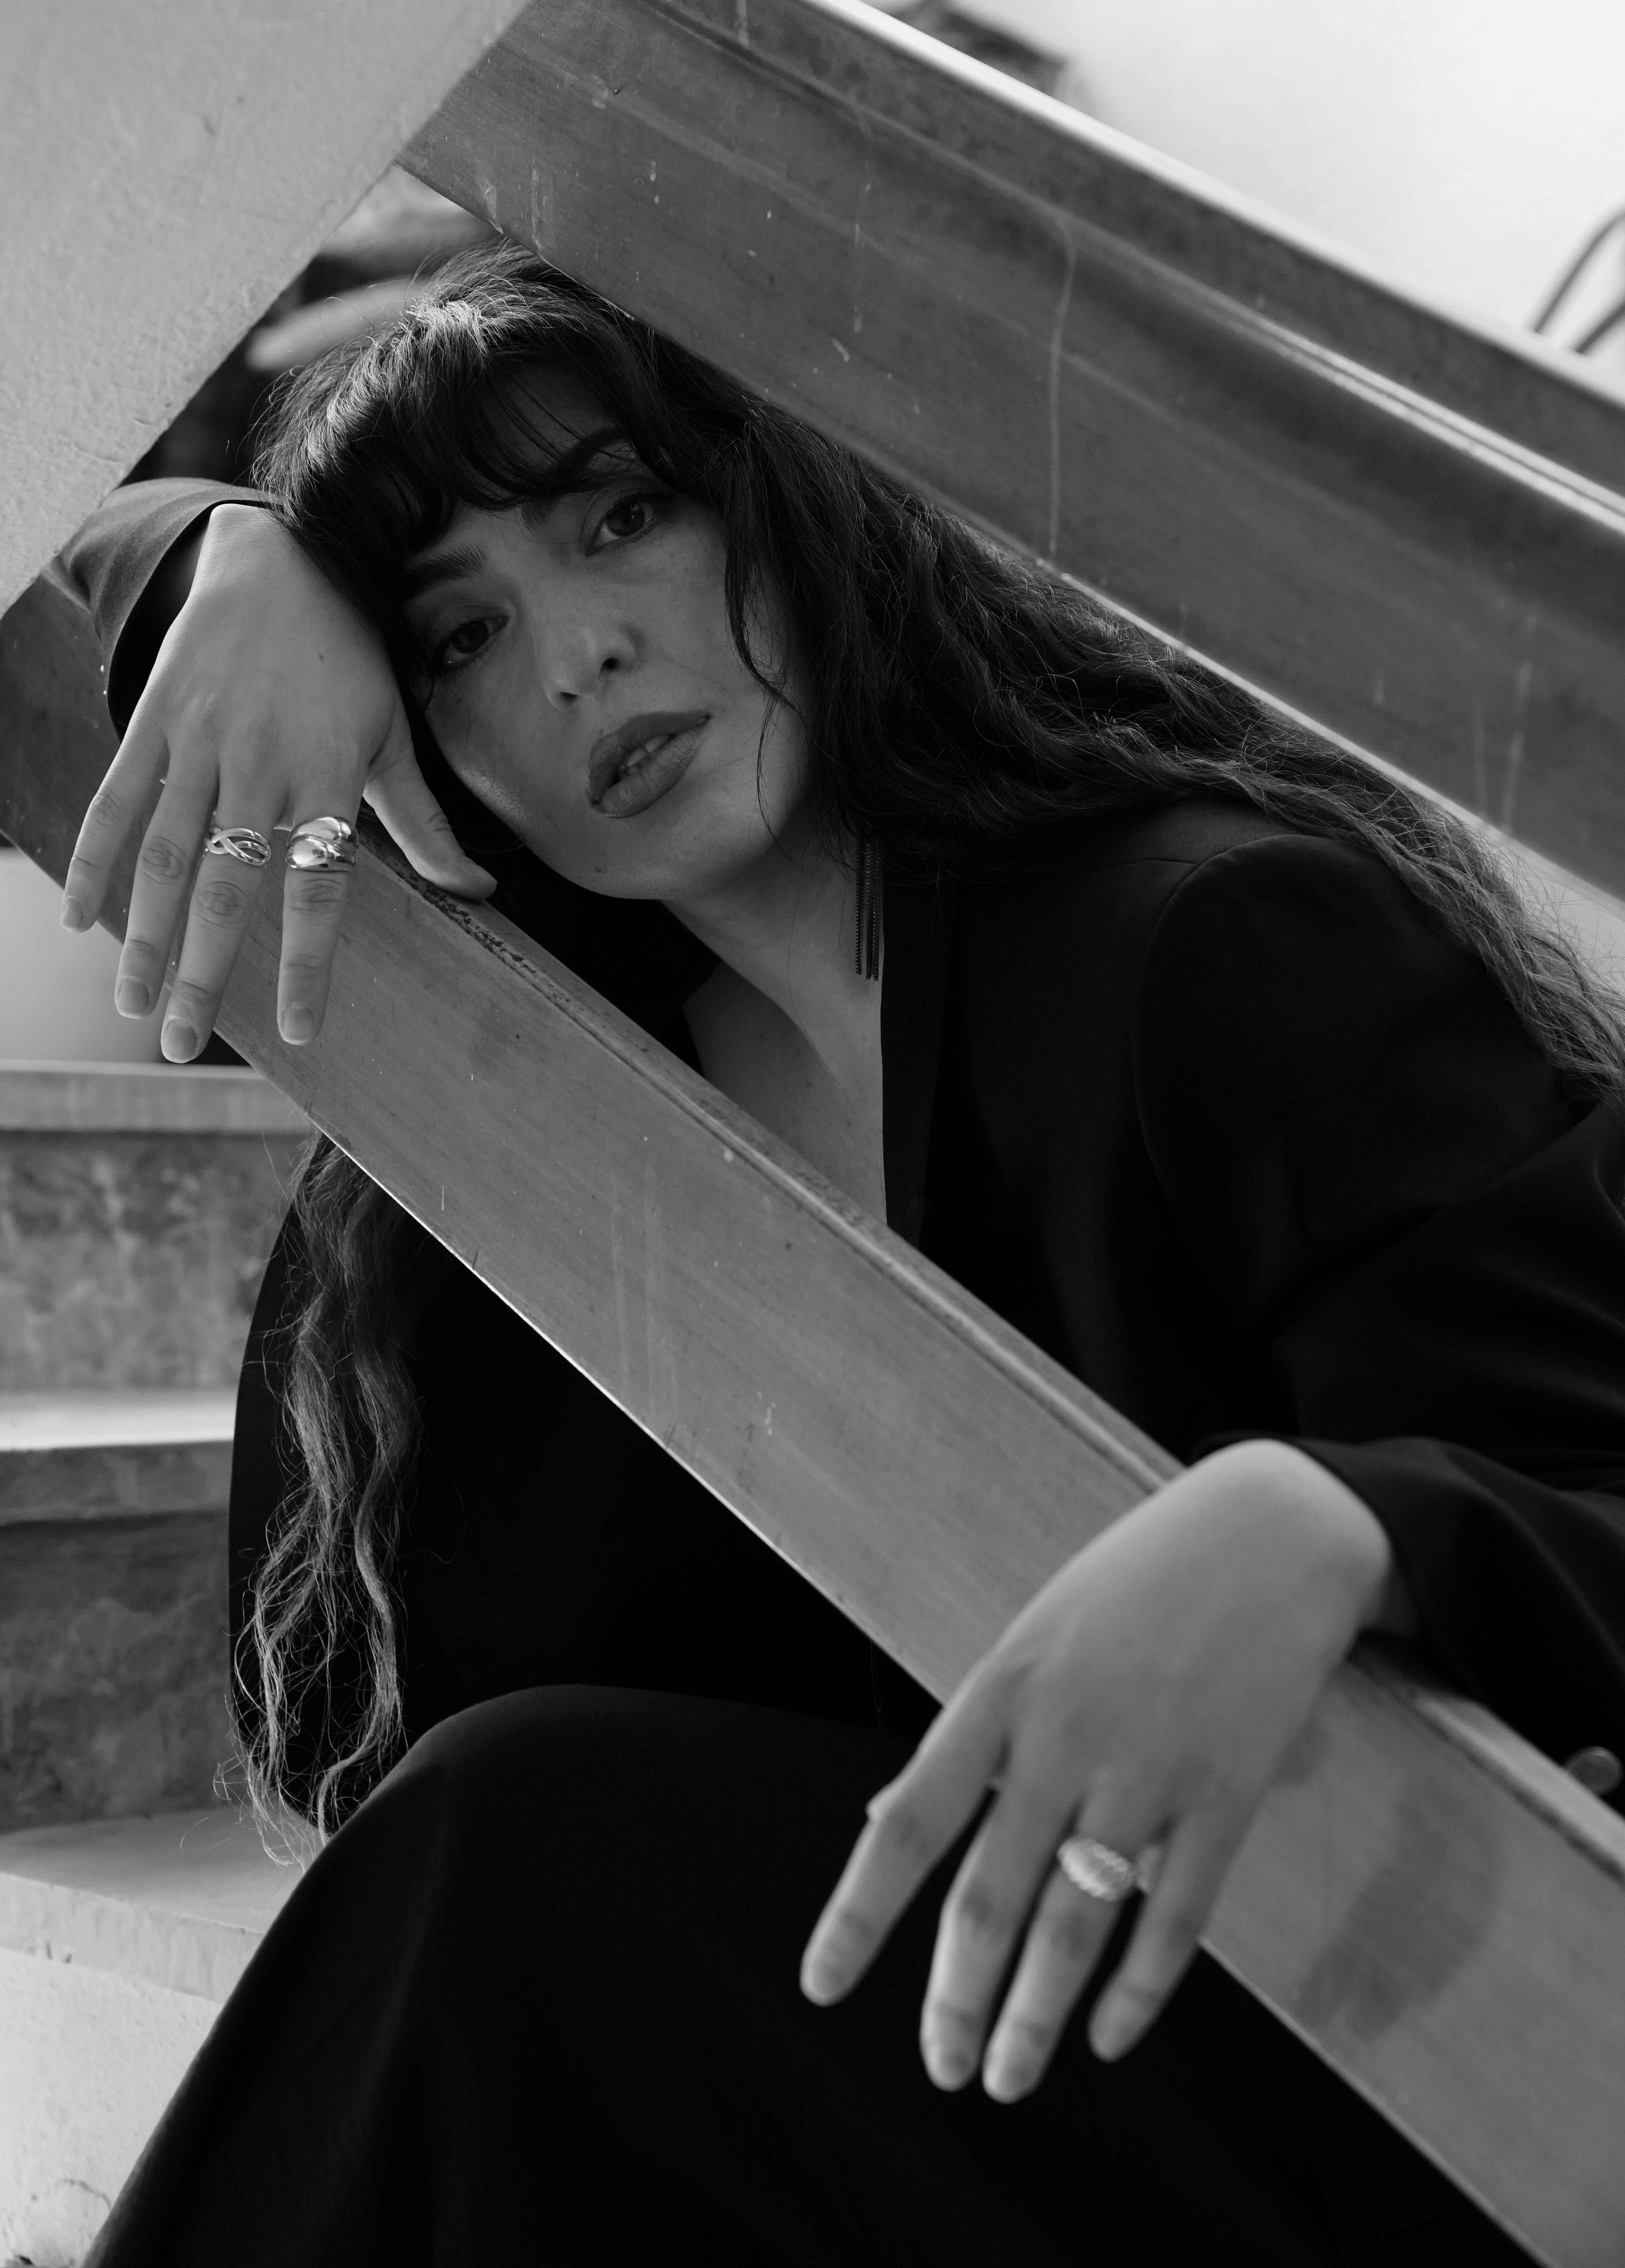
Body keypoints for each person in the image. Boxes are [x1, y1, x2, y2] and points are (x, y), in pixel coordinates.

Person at [58, 246, 1625, 2267]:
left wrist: (1341, 1523)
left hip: (1372, 2066)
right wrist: (225, 560)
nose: (574, 659)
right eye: (458, 635)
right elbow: (45, 576)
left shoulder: (1212, 941)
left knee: (522, 1845)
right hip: (922, 2064)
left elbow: (1594, 1477)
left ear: (782, 493)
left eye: (621, 517)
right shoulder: (580, 1110)